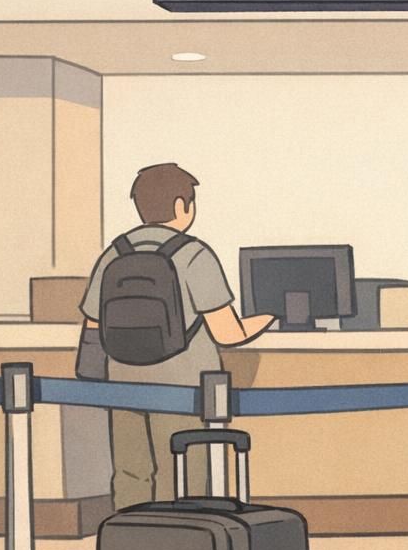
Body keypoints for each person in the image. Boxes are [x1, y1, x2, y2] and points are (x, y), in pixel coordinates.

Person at [78, 163, 274, 509]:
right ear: (183, 206)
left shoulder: (114, 253)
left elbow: (92, 326)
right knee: (183, 472)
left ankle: (130, 545)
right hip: (183, 386)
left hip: (121, 384)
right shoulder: (194, 254)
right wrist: (269, 317)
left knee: (130, 473)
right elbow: (228, 332)